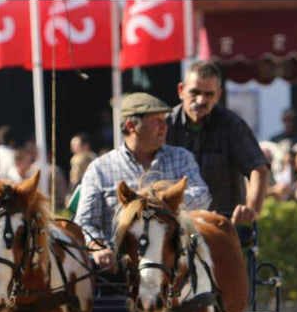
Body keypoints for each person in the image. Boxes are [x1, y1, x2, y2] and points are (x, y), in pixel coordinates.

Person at [75, 93, 211, 272]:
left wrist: (155, 202)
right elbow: (85, 222)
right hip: (119, 270)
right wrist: (98, 247)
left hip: (175, 269)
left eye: (165, 121)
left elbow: (203, 196)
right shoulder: (99, 169)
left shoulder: (181, 158)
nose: (164, 127)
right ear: (131, 126)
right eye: (156, 121)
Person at [165, 60, 269, 224]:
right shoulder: (164, 126)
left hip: (221, 227)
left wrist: (252, 210)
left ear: (218, 95)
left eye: (209, 94)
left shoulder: (232, 126)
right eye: (195, 92)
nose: (201, 100)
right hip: (176, 227)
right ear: (181, 90)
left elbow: (258, 169)